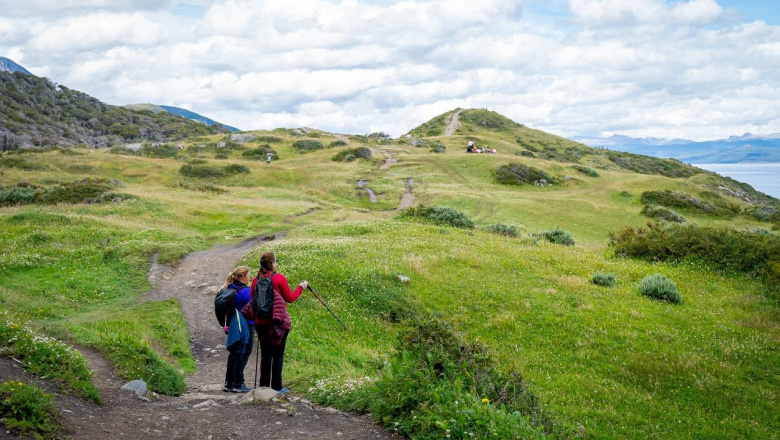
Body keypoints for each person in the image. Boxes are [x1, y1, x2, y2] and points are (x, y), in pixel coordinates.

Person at [252, 252, 307, 394]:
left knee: (265, 354)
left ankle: (263, 386)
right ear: (272, 264)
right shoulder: (279, 278)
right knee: (278, 353)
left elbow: (253, 301)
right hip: (277, 322)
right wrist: (301, 287)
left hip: (260, 322)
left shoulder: (255, 280)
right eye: (275, 260)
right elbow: (290, 298)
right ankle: (277, 386)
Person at [222, 266, 254, 393]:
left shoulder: (229, 288)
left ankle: (229, 382)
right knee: (244, 351)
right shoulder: (245, 291)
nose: (249, 277)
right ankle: (238, 383)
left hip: (233, 324)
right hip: (245, 325)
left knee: (234, 352)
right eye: (248, 275)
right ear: (243, 277)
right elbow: (253, 308)